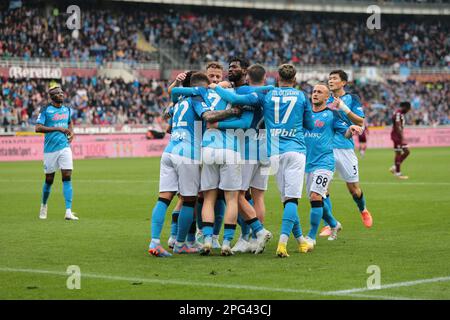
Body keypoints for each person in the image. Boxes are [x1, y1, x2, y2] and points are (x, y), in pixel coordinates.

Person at [148, 72, 241, 257]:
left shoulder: (179, 101)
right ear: (202, 87)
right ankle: (181, 243)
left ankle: (155, 241)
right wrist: (231, 112)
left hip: (169, 151)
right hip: (187, 154)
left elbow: (168, 124)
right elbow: (208, 117)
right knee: (189, 201)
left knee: (164, 199)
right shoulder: (196, 98)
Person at [302, 84, 363, 252]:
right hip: (308, 163)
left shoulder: (332, 115)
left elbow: (345, 133)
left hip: (325, 162)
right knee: (316, 200)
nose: (315, 94)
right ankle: (334, 224)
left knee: (315, 197)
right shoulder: (304, 114)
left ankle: (311, 237)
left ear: (326, 97)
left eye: (319, 92)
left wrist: (351, 129)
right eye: (314, 91)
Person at [326, 69, 373, 230]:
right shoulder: (324, 99)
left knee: (354, 189)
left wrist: (344, 108)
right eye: (329, 78)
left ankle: (363, 209)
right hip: (326, 149)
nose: (330, 81)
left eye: (334, 78)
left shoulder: (352, 98)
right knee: (322, 188)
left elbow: (360, 121)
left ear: (343, 82)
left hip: (345, 148)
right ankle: (329, 223)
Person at [35, 84, 78, 221]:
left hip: (64, 147)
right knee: (49, 180)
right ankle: (44, 205)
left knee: (67, 176)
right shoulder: (46, 109)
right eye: (59, 93)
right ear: (53, 96)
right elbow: (37, 128)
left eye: (62, 92)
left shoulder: (67, 109)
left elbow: (69, 122)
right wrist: (58, 129)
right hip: (50, 150)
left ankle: (68, 211)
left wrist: (72, 132)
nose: (62, 94)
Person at [389, 101, 411, 179]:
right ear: (405, 107)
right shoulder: (398, 113)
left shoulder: (399, 113)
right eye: (409, 109)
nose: (409, 110)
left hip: (397, 135)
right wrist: (402, 137)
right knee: (399, 153)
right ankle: (398, 173)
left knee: (407, 151)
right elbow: (398, 125)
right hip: (397, 136)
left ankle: (395, 167)